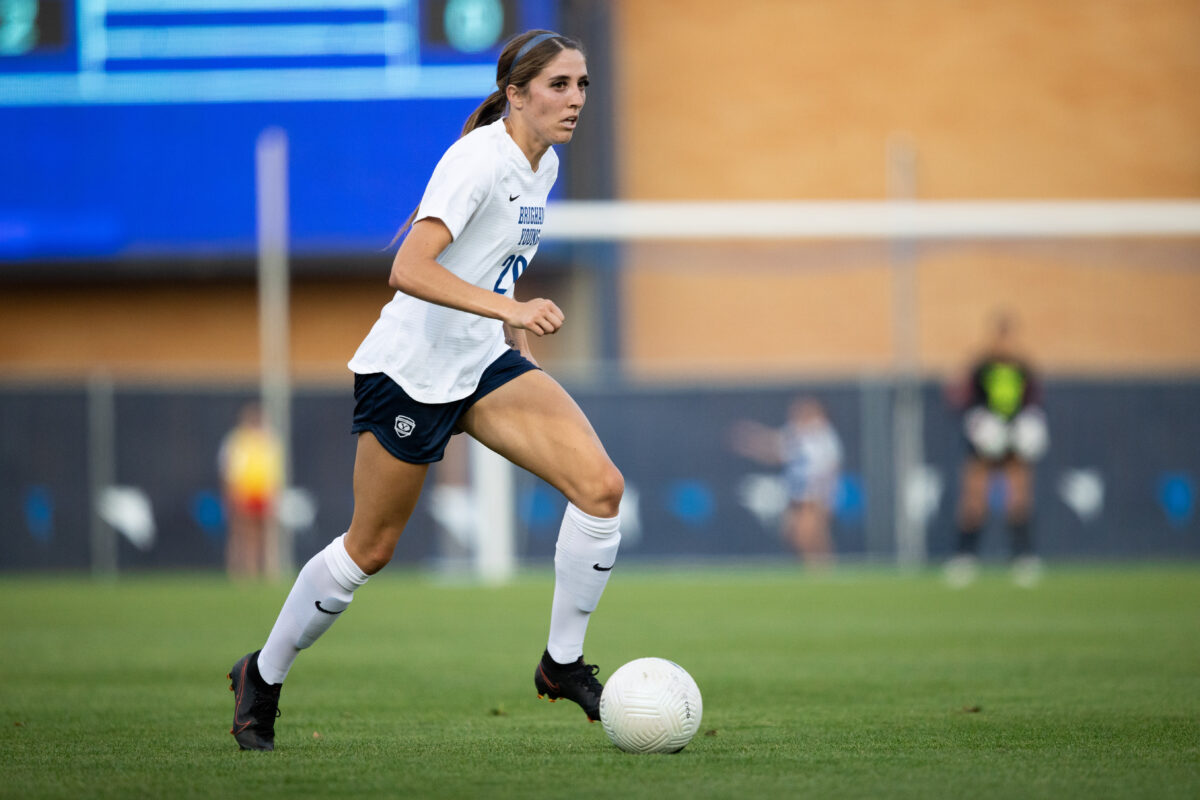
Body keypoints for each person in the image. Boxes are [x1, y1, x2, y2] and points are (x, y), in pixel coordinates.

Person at [227, 30, 624, 751]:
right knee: (368, 549)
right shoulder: (478, 160)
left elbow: (490, 264)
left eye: (583, 85)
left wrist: (508, 326)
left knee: (601, 489)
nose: (575, 99)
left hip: (480, 361)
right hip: (408, 372)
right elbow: (409, 268)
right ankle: (263, 672)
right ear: (517, 94)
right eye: (560, 85)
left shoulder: (546, 165)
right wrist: (511, 308)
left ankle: (560, 663)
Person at [943, 312, 1048, 588]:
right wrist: (979, 423)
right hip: (985, 439)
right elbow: (963, 400)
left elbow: (1033, 402)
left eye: (1009, 337)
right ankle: (965, 557)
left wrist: (1029, 426)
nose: (1005, 343)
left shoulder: (1023, 368)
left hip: (1014, 437)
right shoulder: (981, 367)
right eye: (1001, 337)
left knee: (1019, 496)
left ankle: (1023, 556)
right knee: (974, 497)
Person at [731, 397, 843, 568]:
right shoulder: (797, 433)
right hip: (797, 492)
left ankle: (823, 569)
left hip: (814, 494)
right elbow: (777, 450)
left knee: (810, 533)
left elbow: (831, 468)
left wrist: (827, 494)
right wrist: (751, 441)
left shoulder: (822, 436)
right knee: (795, 534)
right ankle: (814, 569)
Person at [218, 403, 283, 579]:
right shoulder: (237, 440)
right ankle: (242, 572)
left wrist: (275, 494)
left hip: (263, 493)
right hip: (243, 492)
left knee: (265, 535)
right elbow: (229, 469)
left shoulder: (269, 439)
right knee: (243, 535)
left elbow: (274, 470)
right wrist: (231, 494)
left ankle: (267, 570)